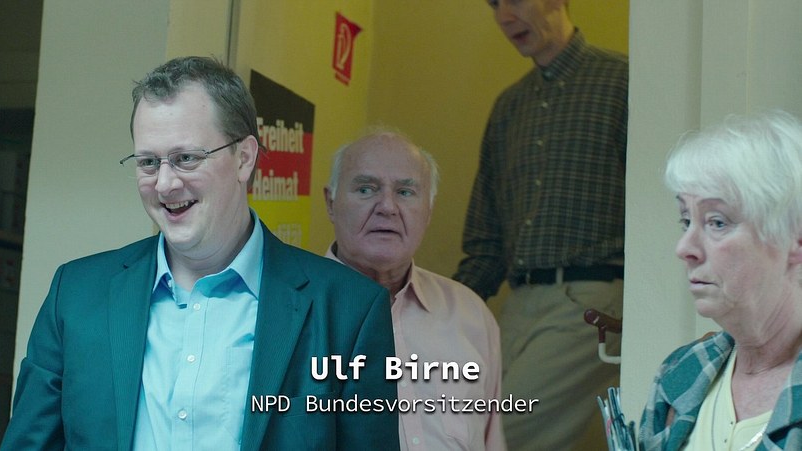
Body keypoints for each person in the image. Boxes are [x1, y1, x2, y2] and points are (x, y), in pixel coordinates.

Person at [0, 56, 399, 450]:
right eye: (148, 162)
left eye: (186, 159)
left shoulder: (349, 310)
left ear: (244, 158)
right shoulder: (77, 295)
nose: (165, 184)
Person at [453, 1, 629, 449]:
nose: (504, 17)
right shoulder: (508, 107)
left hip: (592, 303)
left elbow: (663, 204)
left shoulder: (624, 83)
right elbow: (486, 242)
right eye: (495, 4)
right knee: (452, 425)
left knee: (495, 435)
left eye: (514, 0)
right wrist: (439, 311)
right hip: (517, 306)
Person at [323, 129, 506, 450]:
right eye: (366, 189)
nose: (387, 207)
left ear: (429, 210)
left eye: (406, 192)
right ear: (331, 203)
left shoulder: (470, 314)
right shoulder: (287, 314)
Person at [639, 110, 802, 450]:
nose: (684, 248)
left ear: (794, 239)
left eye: (717, 222)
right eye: (686, 221)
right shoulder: (680, 372)